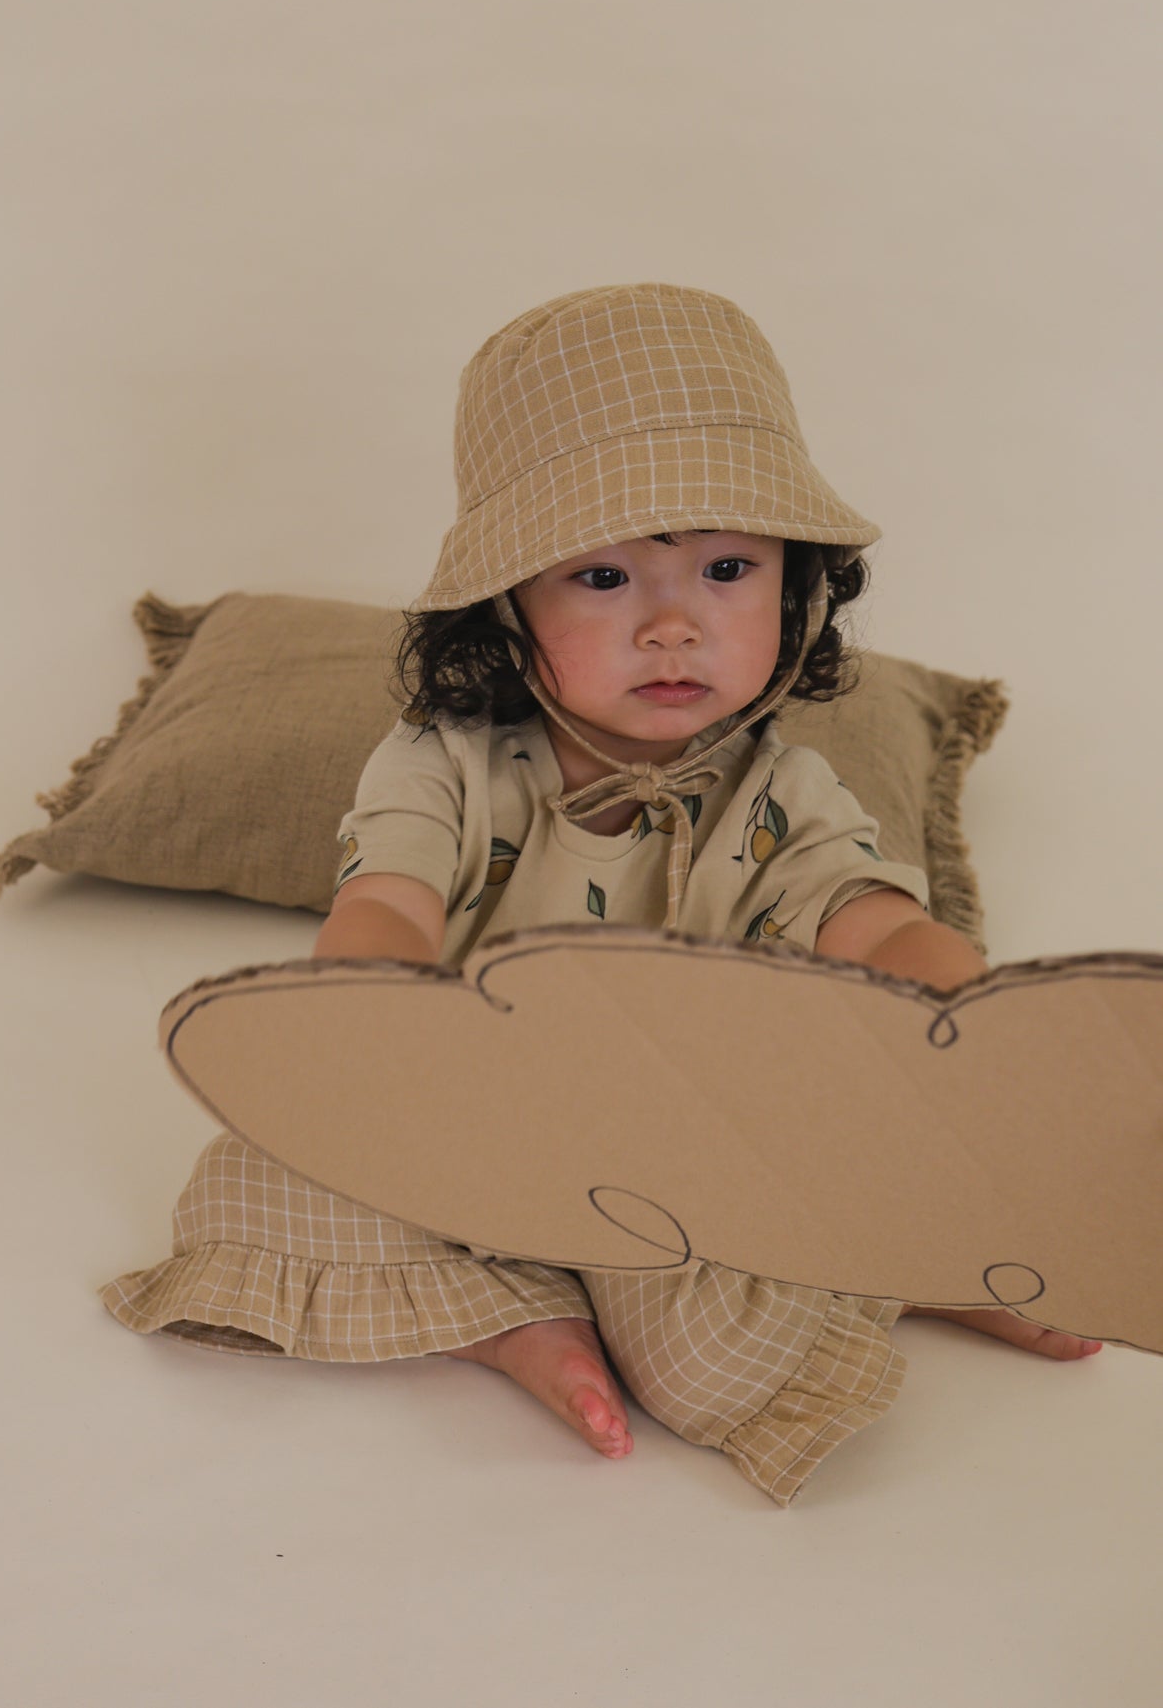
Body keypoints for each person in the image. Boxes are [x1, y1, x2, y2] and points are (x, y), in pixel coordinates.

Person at [102, 284, 1099, 1505]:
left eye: (726, 567)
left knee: (713, 1355)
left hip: (690, 1150)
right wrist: (367, 1007)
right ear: (508, 604)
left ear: (796, 593)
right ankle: (508, 1327)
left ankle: (914, 1266)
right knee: (250, 1180)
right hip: (459, 1112)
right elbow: (391, 902)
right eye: (603, 577)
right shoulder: (446, 759)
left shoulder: (782, 786)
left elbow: (873, 918)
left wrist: (991, 1020)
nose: (674, 626)